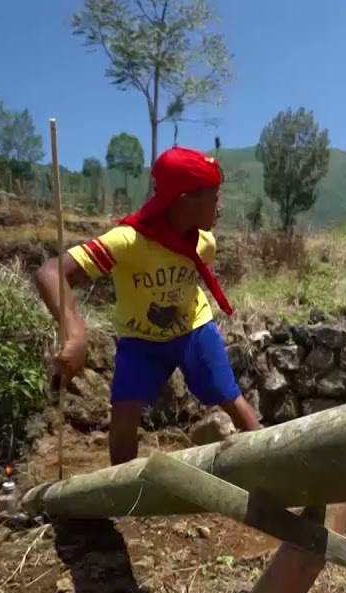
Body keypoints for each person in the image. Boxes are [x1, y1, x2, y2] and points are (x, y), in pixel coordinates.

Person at [33, 146, 260, 466]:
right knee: (124, 413)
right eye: (214, 197)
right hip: (141, 340)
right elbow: (51, 272)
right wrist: (74, 332)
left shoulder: (203, 242)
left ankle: (274, 469)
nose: (219, 207)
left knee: (230, 398)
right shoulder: (128, 241)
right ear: (184, 201)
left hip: (193, 329)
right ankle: (122, 493)